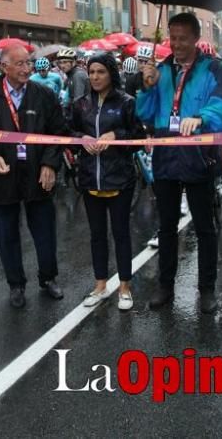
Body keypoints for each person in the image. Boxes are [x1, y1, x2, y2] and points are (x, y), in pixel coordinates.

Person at [136, 12, 222, 314]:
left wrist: (201, 117)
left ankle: (206, 289)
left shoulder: (212, 69)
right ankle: (165, 286)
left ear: (195, 39)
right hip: (165, 156)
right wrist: (147, 86)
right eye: (172, 37)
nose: (175, 44)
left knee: (205, 226)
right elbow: (146, 116)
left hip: (198, 155)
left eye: (182, 38)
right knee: (165, 227)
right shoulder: (161, 69)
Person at [0, 44, 67, 309]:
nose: (27, 68)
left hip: (38, 174)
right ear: (4, 67)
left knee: (45, 231)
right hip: (3, 176)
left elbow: (58, 132)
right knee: (7, 234)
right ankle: (16, 284)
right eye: (20, 64)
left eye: (29, 63)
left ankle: (48, 278)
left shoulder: (43, 95)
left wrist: (50, 164)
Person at [70, 54, 145, 311]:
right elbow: (67, 131)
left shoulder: (127, 103)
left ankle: (125, 287)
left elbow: (139, 134)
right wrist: (82, 138)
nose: (95, 77)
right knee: (97, 235)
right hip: (91, 178)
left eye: (100, 72)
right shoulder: (80, 105)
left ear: (111, 73)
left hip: (120, 179)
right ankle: (100, 285)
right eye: (91, 72)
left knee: (121, 233)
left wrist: (116, 134)